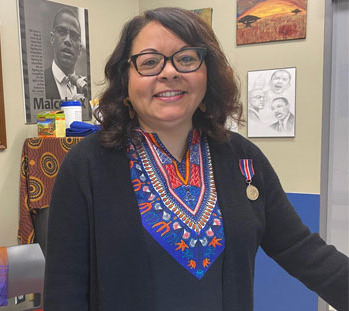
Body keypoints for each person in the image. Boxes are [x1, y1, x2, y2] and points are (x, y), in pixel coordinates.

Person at [44, 7, 348, 311]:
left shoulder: (244, 159)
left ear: (207, 74)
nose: (169, 72)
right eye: (149, 62)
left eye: (186, 59)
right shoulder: (85, 165)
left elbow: (302, 249)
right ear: (126, 79)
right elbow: (64, 290)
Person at [44, 8, 87, 99]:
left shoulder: (87, 88)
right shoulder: (40, 83)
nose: (67, 40)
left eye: (74, 36)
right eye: (62, 32)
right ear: (52, 39)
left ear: (79, 48)